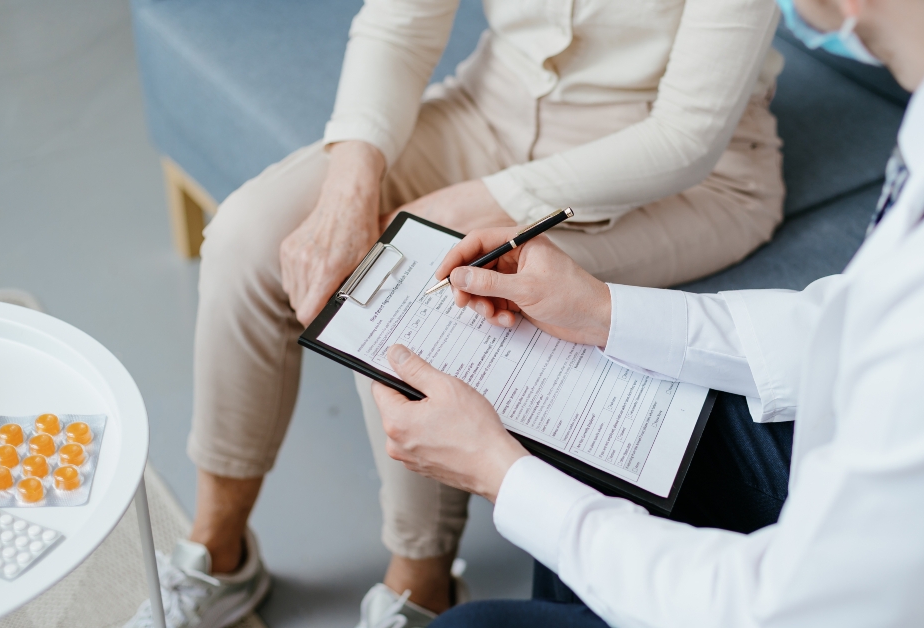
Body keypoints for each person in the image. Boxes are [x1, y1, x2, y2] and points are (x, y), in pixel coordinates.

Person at [368, 0, 924, 625]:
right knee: (597, 418)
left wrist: (503, 475)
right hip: (908, 517)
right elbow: (855, 315)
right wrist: (602, 312)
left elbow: (784, 608)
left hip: (885, 597)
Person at [125, 1, 791, 626]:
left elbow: (686, 137)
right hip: (488, 113)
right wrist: (348, 190)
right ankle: (219, 549)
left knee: (416, 294)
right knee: (249, 233)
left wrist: (458, 211)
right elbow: (400, 21)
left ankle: (422, 582)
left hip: (675, 181)